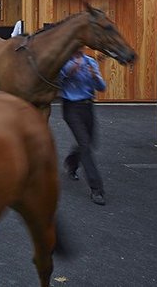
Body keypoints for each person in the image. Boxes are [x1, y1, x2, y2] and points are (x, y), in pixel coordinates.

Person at [59, 48, 107, 206]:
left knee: (90, 142)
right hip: (71, 107)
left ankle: (71, 163)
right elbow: (56, 81)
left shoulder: (90, 62)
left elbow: (101, 87)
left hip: (88, 106)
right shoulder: (64, 62)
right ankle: (97, 189)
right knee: (85, 145)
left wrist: (95, 77)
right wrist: (69, 71)